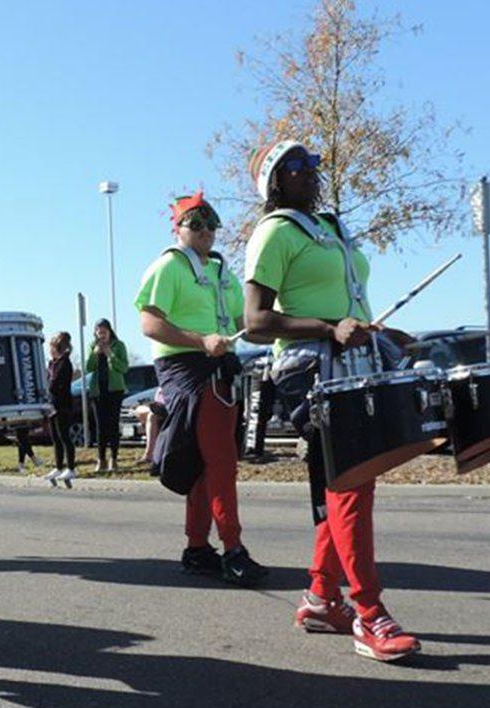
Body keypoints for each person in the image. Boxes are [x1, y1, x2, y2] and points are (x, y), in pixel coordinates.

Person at [241, 139, 420, 662]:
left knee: (348, 482)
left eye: (312, 163)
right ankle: (370, 615)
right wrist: (328, 327)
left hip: (350, 358)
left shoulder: (332, 228)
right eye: (296, 166)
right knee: (349, 484)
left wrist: (377, 331)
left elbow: (345, 301)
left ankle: (322, 597)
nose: (310, 172)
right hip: (307, 366)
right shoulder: (273, 233)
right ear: (275, 181)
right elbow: (254, 323)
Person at [135, 191, 268, 587]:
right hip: (189, 369)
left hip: (220, 368)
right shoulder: (169, 266)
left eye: (212, 224)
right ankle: (233, 551)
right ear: (177, 228)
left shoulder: (223, 272)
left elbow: (245, 319)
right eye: (196, 223)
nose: (206, 231)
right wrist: (201, 340)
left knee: (205, 464)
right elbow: (150, 323)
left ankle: (197, 548)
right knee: (222, 462)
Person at [85, 319, 128, 472]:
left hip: (115, 390)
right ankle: (101, 459)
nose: (101, 335)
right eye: (99, 332)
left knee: (113, 425)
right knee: (100, 426)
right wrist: (95, 354)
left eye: (104, 332)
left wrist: (110, 354)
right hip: (98, 391)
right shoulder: (92, 346)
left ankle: (114, 459)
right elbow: (88, 368)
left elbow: (124, 368)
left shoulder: (119, 345)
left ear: (110, 331)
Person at [41, 332, 78, 488]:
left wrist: (48, 386)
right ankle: (58, 467)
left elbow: (55, 383)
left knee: (64, 436)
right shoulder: (52, 363)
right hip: (52, 404)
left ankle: (71, 467)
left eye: (51, 348)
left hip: (62, 404)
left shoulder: (64, 363)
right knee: (55, 438)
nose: (50, 351)